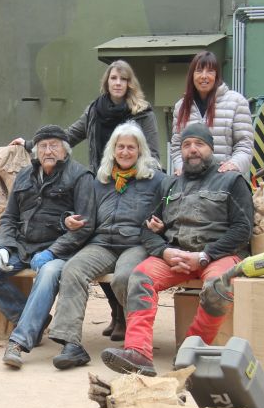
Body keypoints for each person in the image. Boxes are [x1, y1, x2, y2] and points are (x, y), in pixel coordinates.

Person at [11, 60, 161, 337]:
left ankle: (127, 321)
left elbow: (152, 152)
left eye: (123, 79)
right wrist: (34, 145)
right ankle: (116, 314)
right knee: (94, 242)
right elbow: (69, 136)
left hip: (135, 182)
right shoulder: (95, 110)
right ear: (107, 82)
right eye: (113, 78)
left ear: (130, 84)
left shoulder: (141, 112)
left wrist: (150, 183)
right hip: (102, 181)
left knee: (122, 256)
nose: (118, 83)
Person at [102, 123, 254, 376]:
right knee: (139, 277)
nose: (192, 150)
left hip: (219, 254)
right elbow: (147, 229)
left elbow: (243, 230)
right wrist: (164, 251)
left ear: (211, 149)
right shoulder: (170, 185)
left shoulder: (232, 180)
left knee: (218, 286)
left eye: (199, 144)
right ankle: (138, 352)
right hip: (177, 254)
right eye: (186, 145)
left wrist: (204, 256)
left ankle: (192, 351)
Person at [0, 125, 96, 369]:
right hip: (23, 246)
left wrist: (52, 252)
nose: (48, 150)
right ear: (36, 151)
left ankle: (18, 343)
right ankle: (29, 320)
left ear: (65, 150)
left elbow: (85, 225)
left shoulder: (81, 177)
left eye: (54, 145)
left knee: (49, 273)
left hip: (59, 249)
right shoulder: (24, 176)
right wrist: (4, 246)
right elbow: (9, 217)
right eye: (43, 146)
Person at [47, 122, 164, 369]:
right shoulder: (100, 180)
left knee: (126, 277)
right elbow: (82, 212)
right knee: (73, 269)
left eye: (130, 147)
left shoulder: (156, 180)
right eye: (120, 147)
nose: (124, 152)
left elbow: (168, 211)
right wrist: (67, 219)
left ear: (140, 150)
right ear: (112, 150)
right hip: (102, 242)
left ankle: (135, 344)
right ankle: (71, 344)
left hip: (136, 243)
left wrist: (160, 226)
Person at [170, 51, 254, 177]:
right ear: (192, 75)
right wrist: (181, 167)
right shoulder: (181, 106)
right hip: (190, 181)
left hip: (224, 181)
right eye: (199, 71)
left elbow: (244, 144)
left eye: (210, 71)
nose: (204, 76)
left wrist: (233, 166)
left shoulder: (236, 102)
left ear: (217, 75)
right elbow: (177, 145)